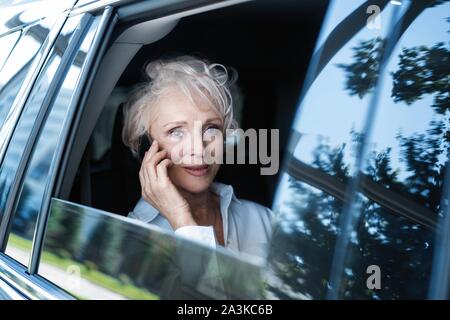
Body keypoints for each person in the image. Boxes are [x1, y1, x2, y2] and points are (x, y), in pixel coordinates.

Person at [122, 55, 273, 260]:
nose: (199, 149)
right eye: (176, 131)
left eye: (211, 129)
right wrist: (182, 219)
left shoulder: (263, 219)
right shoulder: (135, 239)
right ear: (147, 146)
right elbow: (205, 292)